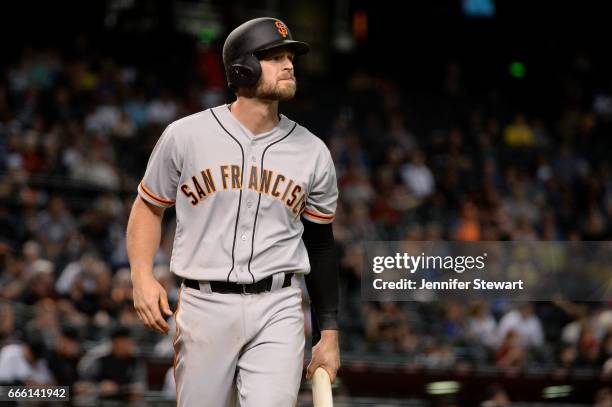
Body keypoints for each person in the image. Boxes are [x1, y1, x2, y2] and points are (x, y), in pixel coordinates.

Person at [127, 17, 340, 406]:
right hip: (204, 303)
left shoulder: (314, 152)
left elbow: (321, 244)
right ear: (243, 68)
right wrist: (141, 276)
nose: (289, 64)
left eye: (290, 55)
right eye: (275, 57)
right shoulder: (186, 135)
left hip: (279, 304)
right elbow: (148, 206)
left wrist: (329, 332)